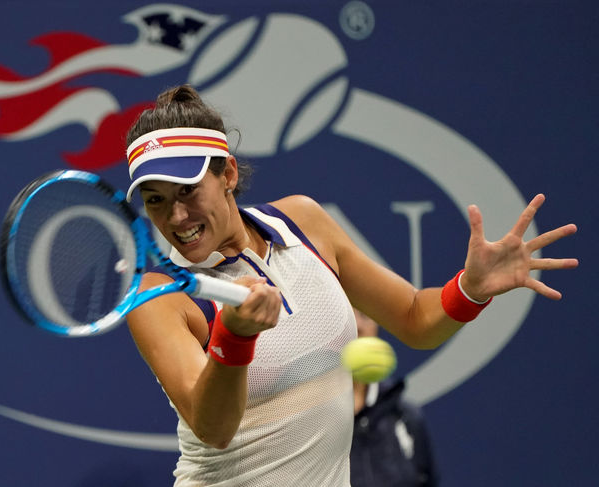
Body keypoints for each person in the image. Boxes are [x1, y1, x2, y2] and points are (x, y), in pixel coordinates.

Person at [123, 84, 578, 486]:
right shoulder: (159, 294)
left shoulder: (304, 221)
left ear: (228, 174)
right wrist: (235, 336)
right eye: (156, 200)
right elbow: (215, 429)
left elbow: (416, 319)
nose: (176, 216)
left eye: (187, 190)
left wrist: (472, 288)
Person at [349, 309, 438, 487]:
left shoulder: (405, 416)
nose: (358, 326)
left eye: (365, 315)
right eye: (347, 317)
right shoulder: (309, 418)